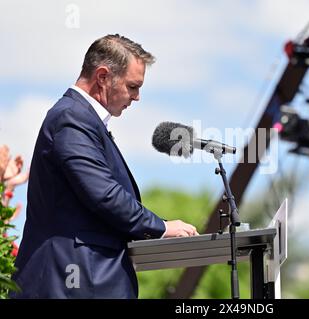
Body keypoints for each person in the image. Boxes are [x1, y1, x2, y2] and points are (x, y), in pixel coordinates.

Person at [11, 34, 198, 299]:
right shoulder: (72, 118)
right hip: (71, 283)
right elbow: (104, 195)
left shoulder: (81, 118)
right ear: (102, 77)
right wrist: (163, 228)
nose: (137, 97)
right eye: (133, 86)